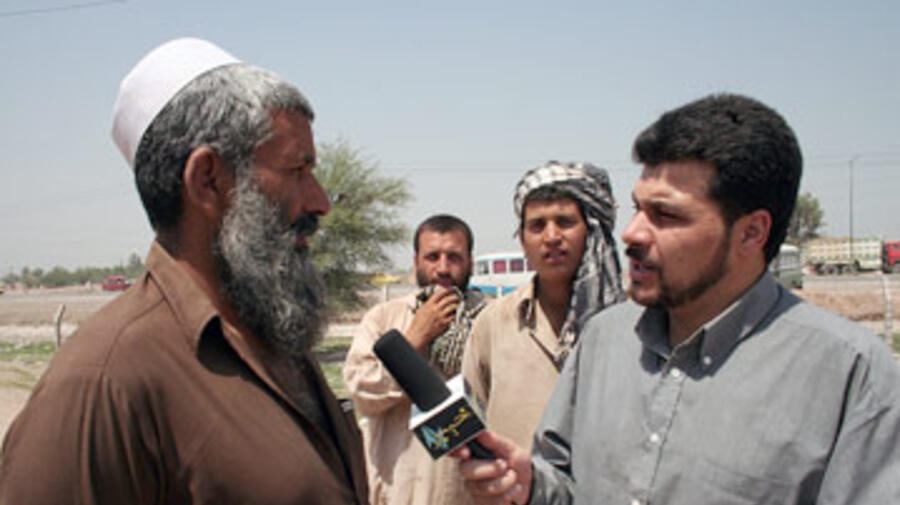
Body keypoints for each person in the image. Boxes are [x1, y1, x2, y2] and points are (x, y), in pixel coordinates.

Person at [455, 94, 900, 505]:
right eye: (638, 208)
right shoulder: (604, 339)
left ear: (751, 233)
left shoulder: (850, 375)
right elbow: (565, 483)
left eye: (665, 215)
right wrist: (532, 487)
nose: (631, 234)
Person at [0, 38, 368, 505]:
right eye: (298, 170)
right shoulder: (103, 379)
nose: (320, 202)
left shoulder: (269, 332)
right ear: (208, 180)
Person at [461, 161, 625, 450]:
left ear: (592, 232)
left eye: (565, 222)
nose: (551, 237)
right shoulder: (494, 322)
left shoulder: (633, 324)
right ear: (523, 242)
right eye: (537, 226)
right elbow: (469, 418)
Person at [343, 214, 486, 505]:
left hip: (472, 491)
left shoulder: (491, 319)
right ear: (416, 262)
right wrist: (413, 340)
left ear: (471, 262)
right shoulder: (384, 318)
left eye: (454, 257)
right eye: (432, 257)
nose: (442, 268)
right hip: (403, 491)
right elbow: (361, 391)